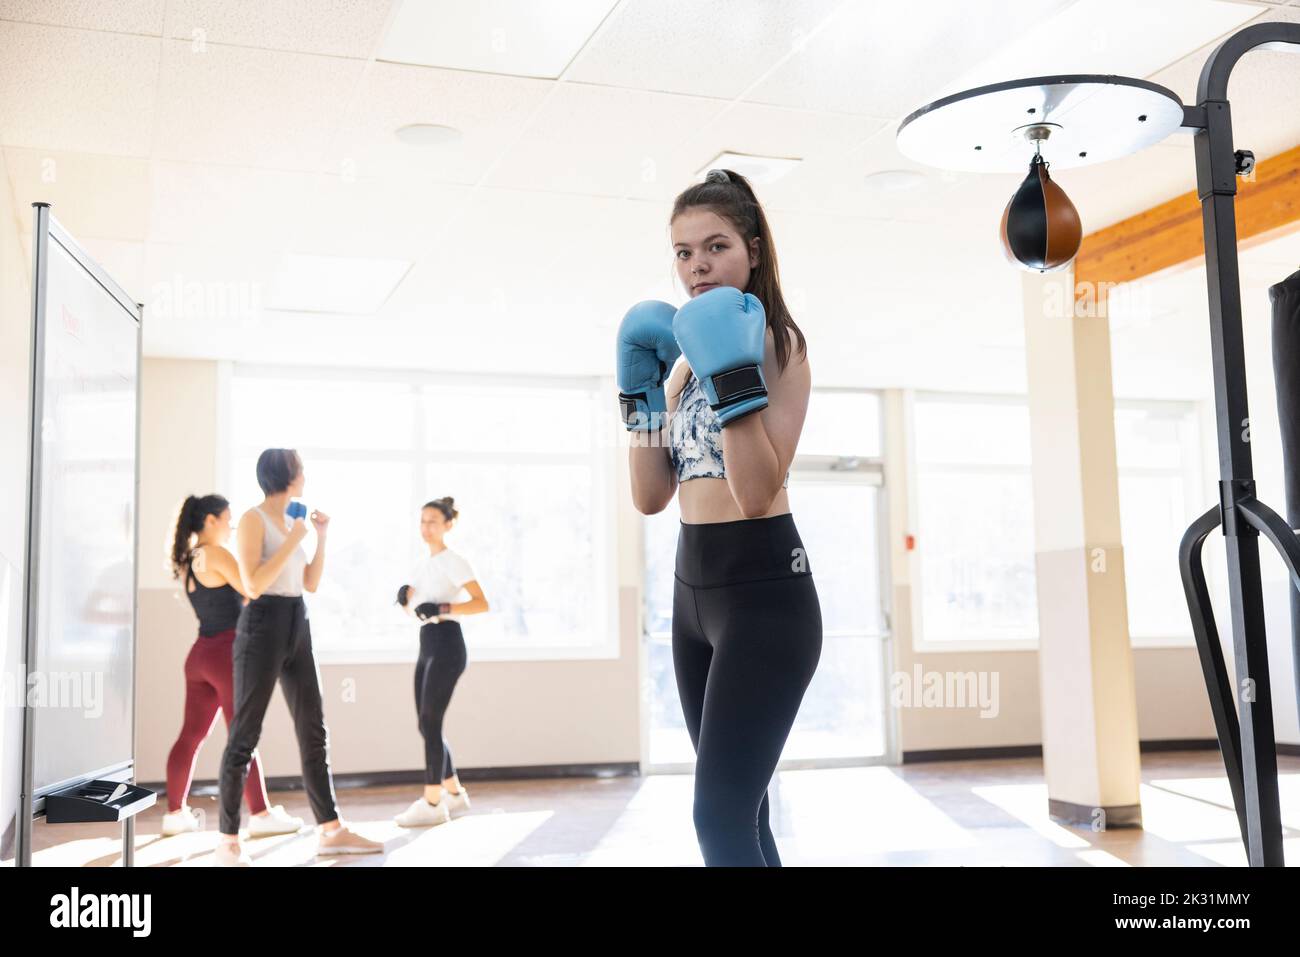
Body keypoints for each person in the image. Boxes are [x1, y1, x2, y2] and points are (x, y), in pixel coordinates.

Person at [617, 168, 822, 866]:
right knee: (744, 810)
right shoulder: (676, 365)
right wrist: (638, 397)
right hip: (691, 595)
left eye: (715, 246)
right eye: (682, 252)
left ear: (754, 250)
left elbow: (758, 491)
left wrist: (731, 372)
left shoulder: (780, 347)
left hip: (766, 594)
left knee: (718, 814)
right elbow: (650, 497)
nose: (697, 265)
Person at [215, 449, 382, 865]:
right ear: (287, 475)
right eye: (301, 470)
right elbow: (252, 584)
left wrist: (320, 537)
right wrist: (295, 538)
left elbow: (310, 581)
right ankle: (228, 842)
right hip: (262, 624)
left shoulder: (293, 522)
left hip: (296, 621)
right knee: (244, 736)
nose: (305, 476)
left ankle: (330, 830)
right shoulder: (254, 520)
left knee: (313, 729)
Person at [162, 493, 303, 838]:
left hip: (199, 656)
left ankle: (174, 814)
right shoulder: (217, 554)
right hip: (225, 653)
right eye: (227, 518)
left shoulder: (190, 558)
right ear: (210, 520)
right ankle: (260, 814)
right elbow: (253, 589)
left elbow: (234, 593)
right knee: (243, 734)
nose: (232, 525)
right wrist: (287, 546)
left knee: (190, 736)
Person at [393, 497, 489, 827]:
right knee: (425, 724)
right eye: (422, 521)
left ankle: (432, 802)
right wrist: (405, 599)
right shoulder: (423, 565)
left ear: (448, 525)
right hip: (427, 642)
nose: (426, 528)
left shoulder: (455, 561)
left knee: (431, 723)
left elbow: (481, 604)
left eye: (433, 521)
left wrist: (444, 609)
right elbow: (419, 610)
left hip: (448, 644)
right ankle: (455, 795)